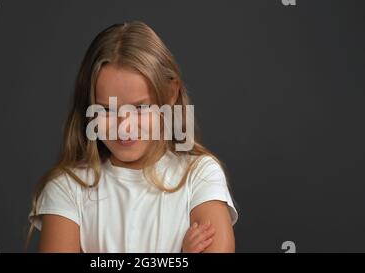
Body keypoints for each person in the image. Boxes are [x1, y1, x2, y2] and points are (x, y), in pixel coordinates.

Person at [27, 21, 238, 253]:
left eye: (139, 108)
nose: (124, 127)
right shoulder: (67, 187)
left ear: (169, 95)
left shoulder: (200, 175)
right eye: (107, 110)